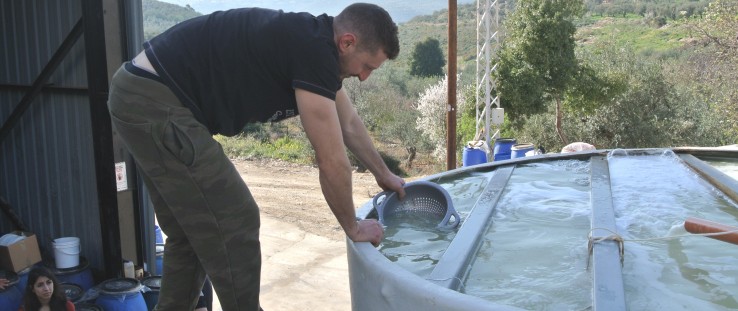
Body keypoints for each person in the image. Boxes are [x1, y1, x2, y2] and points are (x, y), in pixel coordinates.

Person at [107, 3, 406, 310]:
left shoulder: (316, 46)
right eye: (368, 66)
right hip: (153, 99)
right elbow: (331, 161)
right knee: (235, 218)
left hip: (141, 94)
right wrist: (352, 227)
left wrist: (383, 173)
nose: (365, 77)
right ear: (347, 42)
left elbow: (349, 124)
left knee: (191, 231)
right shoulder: (313, 50)